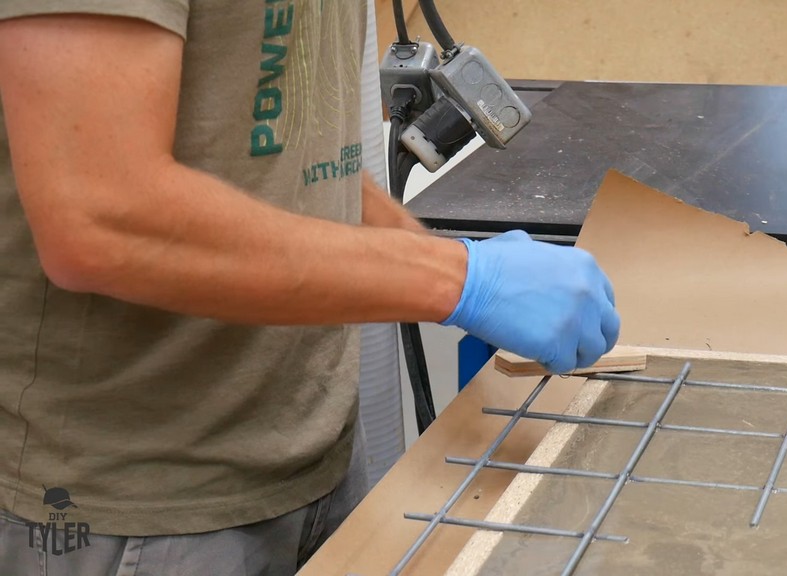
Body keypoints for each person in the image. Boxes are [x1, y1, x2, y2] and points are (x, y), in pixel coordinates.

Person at [0, 1, 619, 574]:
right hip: (143, 506)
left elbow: (285, 157)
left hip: (313, 459)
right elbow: (101, 212)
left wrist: (430, 258)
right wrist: (462, 279)